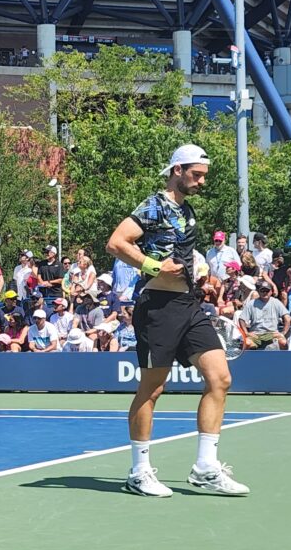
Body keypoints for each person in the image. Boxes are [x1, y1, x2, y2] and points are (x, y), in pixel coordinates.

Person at [106, 144, 248, 497]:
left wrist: (203, 278)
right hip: (157, 307)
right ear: (177, 171)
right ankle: (138, 472)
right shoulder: (153, 206)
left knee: (220, 378)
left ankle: (205, 469)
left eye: (203, 176)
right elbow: (116, 242)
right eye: (196, 175)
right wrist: (154, 267)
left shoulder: (189, 212)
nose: (201, 182)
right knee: (152, 389)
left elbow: (181, 255)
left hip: (189, 305)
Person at [238, 281, 290, 350]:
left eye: (267, 290)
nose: (265, 293)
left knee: (283, 342)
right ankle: (249, 359)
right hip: (256, 334)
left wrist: (283, 333)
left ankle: (282, 360)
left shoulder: (276, 302)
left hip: (272, 334)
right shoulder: (251, 303)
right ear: (259, 292)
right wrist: (246, 333)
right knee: (247, 343)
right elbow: (241, 319)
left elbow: (287, 318)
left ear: (271, 292)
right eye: (262, 290)